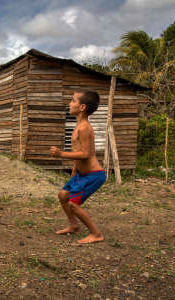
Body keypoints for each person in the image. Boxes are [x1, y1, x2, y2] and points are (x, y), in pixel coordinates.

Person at [50, 89, 106, 244]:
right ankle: (74, 226)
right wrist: (74, 172)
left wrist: (61, 154)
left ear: (82, 107)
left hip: (94, 175)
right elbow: (78, 153)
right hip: (81, 174)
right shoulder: (79, 125)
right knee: (63, 195)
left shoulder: (84, 128)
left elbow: (85, 154)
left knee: (73, 203)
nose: (70, 103)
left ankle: (96, 234)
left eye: (73, 100)